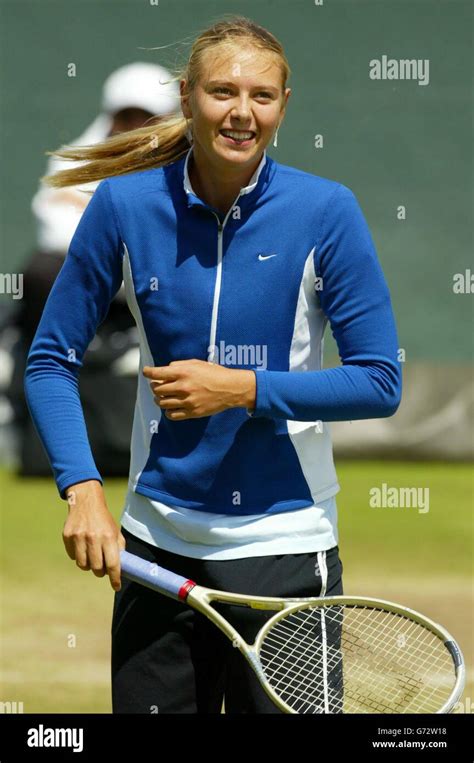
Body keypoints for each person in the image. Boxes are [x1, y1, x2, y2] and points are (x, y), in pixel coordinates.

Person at [24, 15, 402, 714]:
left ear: (285, 104)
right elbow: (50, 360)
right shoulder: (122, 205)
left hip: (289, 555)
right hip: (153, 554)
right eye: (222, 91)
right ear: (187, 97)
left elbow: (381, 381)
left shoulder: (328, 211)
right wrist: (81, 490)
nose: (241, 112)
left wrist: (243, 389)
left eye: (262, 95)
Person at [9, 62, 181, 476]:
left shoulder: (195, 170)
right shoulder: (74, 164)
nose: (137, 127)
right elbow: (63, 241)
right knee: (41, 271)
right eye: (127, 116)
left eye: (148, 117)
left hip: (164, 304)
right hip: (99, 301)